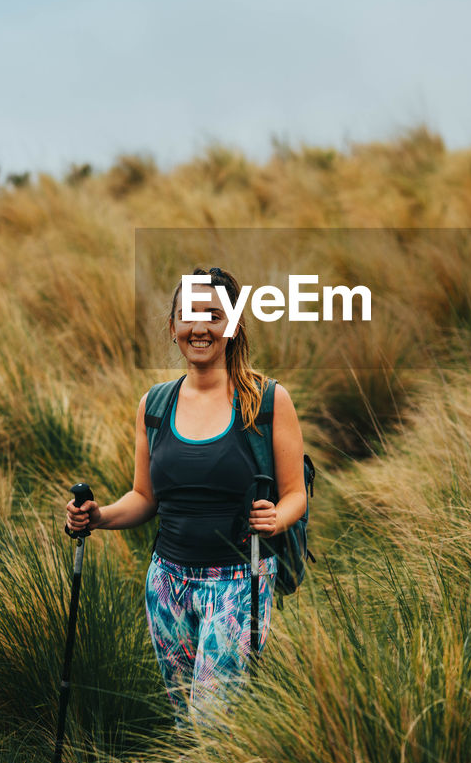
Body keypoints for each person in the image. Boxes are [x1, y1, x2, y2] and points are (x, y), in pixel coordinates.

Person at [65, 265, 307, 731]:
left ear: (233, 326)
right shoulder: (154, 405)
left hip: (240, 580)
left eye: (214, 315)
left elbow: (295, 493)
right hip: (166, 584)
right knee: (185, 720)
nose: (200, 327)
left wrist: (276, 518)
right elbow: (143, 497)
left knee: (211, 723)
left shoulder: (268, 401)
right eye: (189, 314)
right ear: (173, 325)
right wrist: (97, 517)